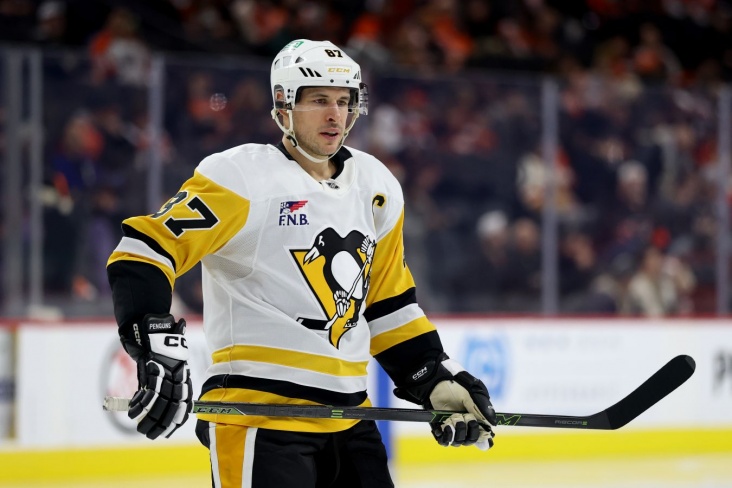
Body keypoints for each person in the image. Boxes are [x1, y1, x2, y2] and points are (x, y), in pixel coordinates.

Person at [107, 39, 496, 488]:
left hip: (351, 421)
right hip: (260, 419)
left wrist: (431, 376)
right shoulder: (240, 177)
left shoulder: (376, 186)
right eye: (318, 100)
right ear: (283, 105)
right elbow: (144, 249)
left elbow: (387, 304)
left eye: (344, 101)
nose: (335, 115)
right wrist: (155, 342)